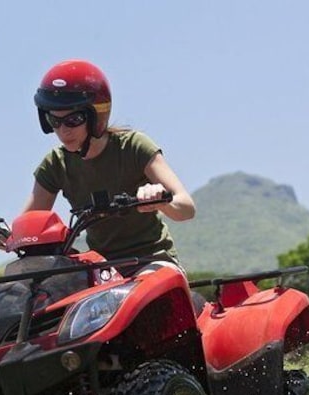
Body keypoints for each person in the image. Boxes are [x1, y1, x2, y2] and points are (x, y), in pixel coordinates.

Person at [26, 59, 195, 276]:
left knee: (138, 293)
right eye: (54, 120)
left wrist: (159, 199)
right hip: (101, 270)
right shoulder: (55, 164)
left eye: (73, 119)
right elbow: (28, 228)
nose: (63, 131)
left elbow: (186, 208)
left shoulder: (133, 146)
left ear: (97, 116)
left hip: (151, 262)